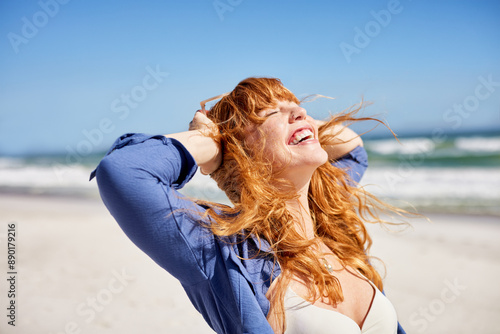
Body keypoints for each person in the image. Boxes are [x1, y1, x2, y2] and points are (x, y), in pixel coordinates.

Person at [90, 77, 406, 333]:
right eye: (270, 113)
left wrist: (300, 124)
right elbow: (124, 172)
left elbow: (352, 148)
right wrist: (210, 140)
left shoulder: (330, 226)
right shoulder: (224, 253)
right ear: (243, 152)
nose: (298, 111)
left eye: (297, 105)